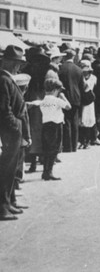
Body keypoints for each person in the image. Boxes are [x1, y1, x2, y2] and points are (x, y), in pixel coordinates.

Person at [0, 45, 30, 221]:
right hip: (11, 130)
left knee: (11, 168)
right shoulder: (4, 79)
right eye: (17, 63)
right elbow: (4, 109)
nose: (18, 67)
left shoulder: (8, 79)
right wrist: (14, 127)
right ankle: (3, 207)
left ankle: (8, 201)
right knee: (6, 169)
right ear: (8, 62)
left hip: (13, 129)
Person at [27, 79, 71, 180]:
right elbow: (68, 107)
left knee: (46, 149)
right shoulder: (57, 100)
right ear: (55, 90)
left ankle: (45, 171)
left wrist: (31, 103)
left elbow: (37, 103)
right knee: (54, 149)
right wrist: (63, 97)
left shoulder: (44, 100)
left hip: (46, 126)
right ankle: (49, 172)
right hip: (56, 126)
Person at [58, 48, 85, 152]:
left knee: (66, 121)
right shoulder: (79, 69)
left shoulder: (61, 68)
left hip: (64, 97)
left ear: (64, 56)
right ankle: (74, 145)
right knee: (74, 121)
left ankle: (67, 146)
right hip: (76, 98)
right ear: (73, 57)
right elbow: (82, 86)